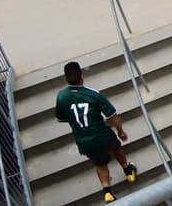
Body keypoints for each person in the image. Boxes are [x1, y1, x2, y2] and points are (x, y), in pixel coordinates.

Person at [55, 61, 137, 203]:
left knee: (100, 164)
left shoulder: (61, 97)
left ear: (66, 78)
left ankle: (107, 191)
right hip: (102, 134)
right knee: (117, 148)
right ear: (82, 77)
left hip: (84, 140)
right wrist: (120, 131)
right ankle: (128, 171)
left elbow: (61, 117)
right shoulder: (94, 95)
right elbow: (113, 116)